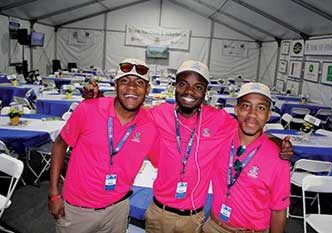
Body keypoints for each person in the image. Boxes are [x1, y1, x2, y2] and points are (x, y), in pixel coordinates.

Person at [83, 60, 293, 233]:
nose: (190, 91)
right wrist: (99, 98)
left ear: (205, 92)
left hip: (194, 219)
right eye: (183, 84)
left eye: (198, 87)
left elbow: (251, 125)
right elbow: (128, 109)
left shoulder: (219, 120)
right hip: (158, 213)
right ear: (175, 86)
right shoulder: (159, 114)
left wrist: (277, 144)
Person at [48, 58, 159, 233]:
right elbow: (60, 144)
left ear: (147, 91)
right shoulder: (88, 109)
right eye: (125, 81)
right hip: (77, 211)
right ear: (115, 86)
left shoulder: (151, 125)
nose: (131, 88)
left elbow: (162, 161)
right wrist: (53, 193)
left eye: (139, 83)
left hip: (118, 210)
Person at [202, 82, 290, 233]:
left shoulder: (278, 158)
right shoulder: (219, 139)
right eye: (246, 106)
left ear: (269, 115)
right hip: (213, 226)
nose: (252, 114)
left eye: (260, 108)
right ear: (236, 109)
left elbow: (278, 211)